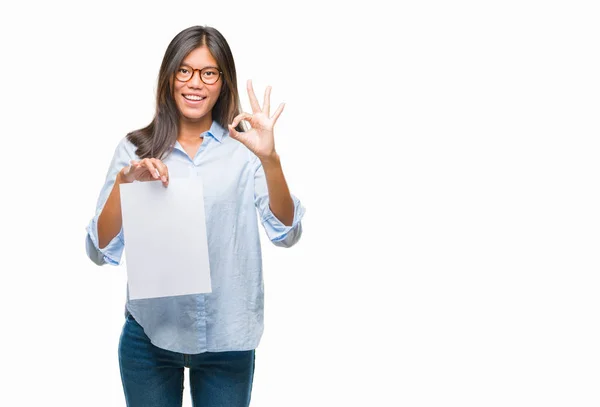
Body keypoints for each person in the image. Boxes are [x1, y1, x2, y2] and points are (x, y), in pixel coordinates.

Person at [85, 25, 305, 407]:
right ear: (169, 77)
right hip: (150, 337)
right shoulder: (135, 148)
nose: (195, 83)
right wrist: (126, 184)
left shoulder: (244, 150)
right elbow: (99, 250)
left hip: (227, 339)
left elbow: (286, 232)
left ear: (222, 81)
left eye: (208, 72)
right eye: (184, 70)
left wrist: (269, 159)